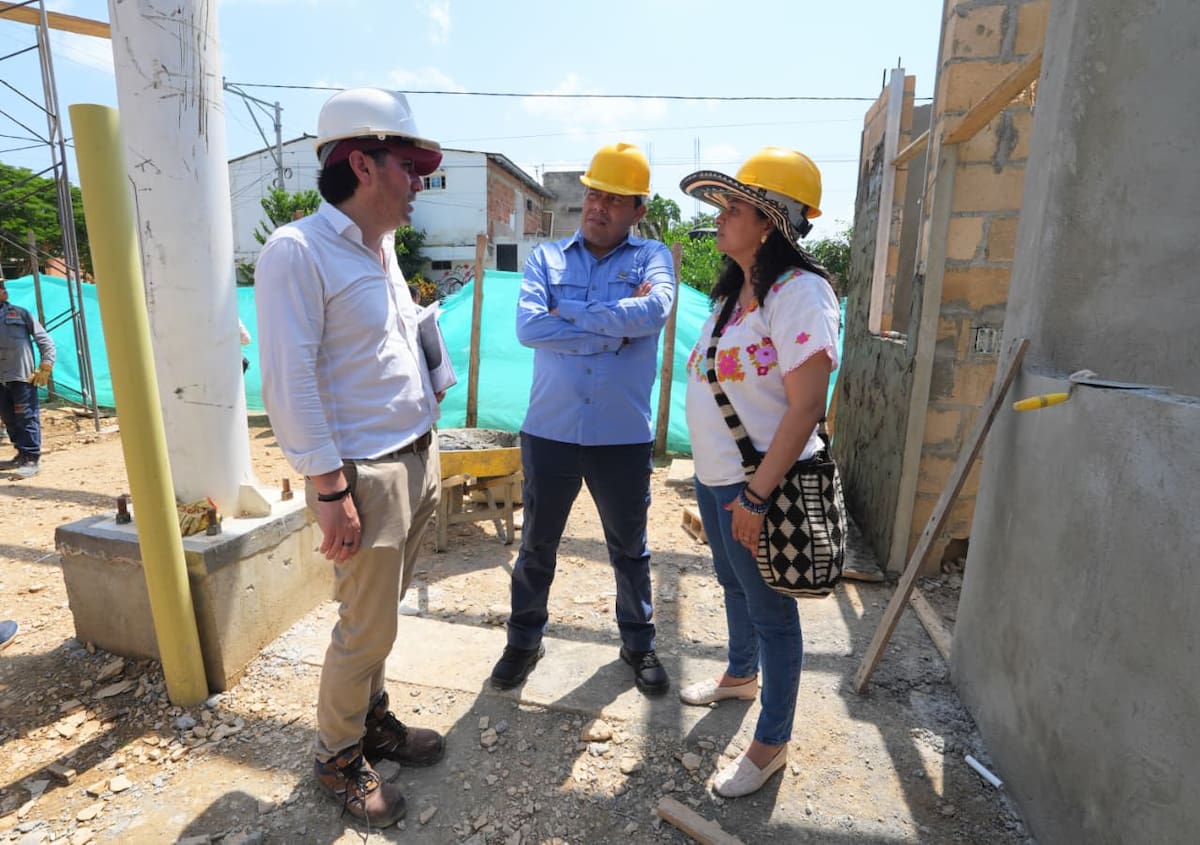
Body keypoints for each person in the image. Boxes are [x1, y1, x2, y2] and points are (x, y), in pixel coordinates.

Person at [255, 87, 447, 829]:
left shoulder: (381, 247)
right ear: (362, 165)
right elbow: (290, 376)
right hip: (362, 474)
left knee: (380, 617)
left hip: (412, 456)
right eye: (410, 165)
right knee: (364, 626)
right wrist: (329, 487)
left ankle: (371, 721)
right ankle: (337, 754)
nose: (419, 182)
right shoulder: (297, 251)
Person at [678, 147, 840, 798]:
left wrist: (754, 493)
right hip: (718, 481)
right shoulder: (735, 293)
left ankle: (770, 741)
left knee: (773, 611)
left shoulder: (800, 294)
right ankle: (739, 675)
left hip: (759, 489)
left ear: (770, 222)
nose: (720, 217)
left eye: (735, 207)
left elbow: (806, 407)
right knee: (733, 583)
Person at [490, 142, 677, 697]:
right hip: (550, 431)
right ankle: (523, 642)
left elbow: (656, 310)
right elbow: (529, 329)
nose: (598, 206)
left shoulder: (653, 258)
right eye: (594, 194)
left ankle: (638, 644)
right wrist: (616, 329)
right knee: (537, 547)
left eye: (614, 200)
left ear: (638, 211)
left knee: (630, 548)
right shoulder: (546, 258)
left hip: (622, 436)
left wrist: (566, 313)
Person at [0, 278, 56, 479]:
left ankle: (31, 458)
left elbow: (45, 341)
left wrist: (46, 365)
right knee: (9, 418)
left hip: (21, 376)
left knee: (26, 416)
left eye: (3, 287)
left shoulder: (21, 313)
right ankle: (21, 454)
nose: (3, 290)